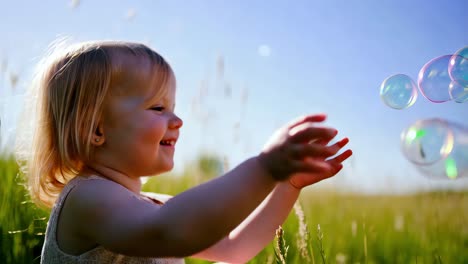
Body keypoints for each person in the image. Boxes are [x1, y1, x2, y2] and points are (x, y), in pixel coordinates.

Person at [15, 40, 352, 263]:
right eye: (158, 107)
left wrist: (286, 185)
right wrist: (264, 167)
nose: (177, 120)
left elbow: (235, 248)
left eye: (173, 107)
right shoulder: (87, 198)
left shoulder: (154, 205)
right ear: (97, 128)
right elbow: (169, 232)